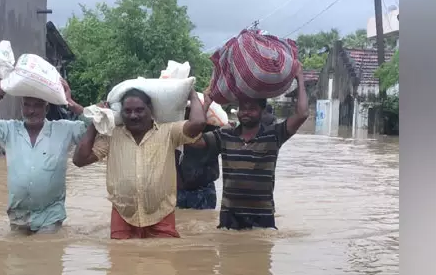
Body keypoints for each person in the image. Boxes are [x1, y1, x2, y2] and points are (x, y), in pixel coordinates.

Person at [72, 87, 208, 239]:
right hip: (123, 215)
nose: (133, 116)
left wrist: (191, 93)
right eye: (127, 111)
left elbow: (199, 122)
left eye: (139, 110)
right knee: (121, 261)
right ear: (121, 113)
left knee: (164, 261)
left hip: (161, 213)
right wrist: (97, 120)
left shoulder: (169, 132)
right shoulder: (112, 136)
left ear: (150, 109)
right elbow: (79, 160)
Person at [189, 64, 309, 230]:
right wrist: (206, 104)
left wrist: (300, 78)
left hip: (262, 219)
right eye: (242, 108)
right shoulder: (225, 135)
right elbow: (193, 140)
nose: (246, 112)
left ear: (262, 111)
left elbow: (302, 114)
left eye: (252, 108)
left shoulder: (274, 135)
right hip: (230, 220)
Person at [0, 79, 90, 235]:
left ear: (47, 108)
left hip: (50, 217)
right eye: (27, 105)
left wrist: (70, 102)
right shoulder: (9, 130)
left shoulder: (64, 129)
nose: (31, 111)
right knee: (17, 257)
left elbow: (97, 124)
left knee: (45, 255)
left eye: (38, 105)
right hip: (18, 216)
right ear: (21, 107)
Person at [175, 106, 220, 210]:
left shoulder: (213, 130)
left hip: (203, 190)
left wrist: (205, 106)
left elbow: (198, 141)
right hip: (178, 190)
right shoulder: (172, 129)